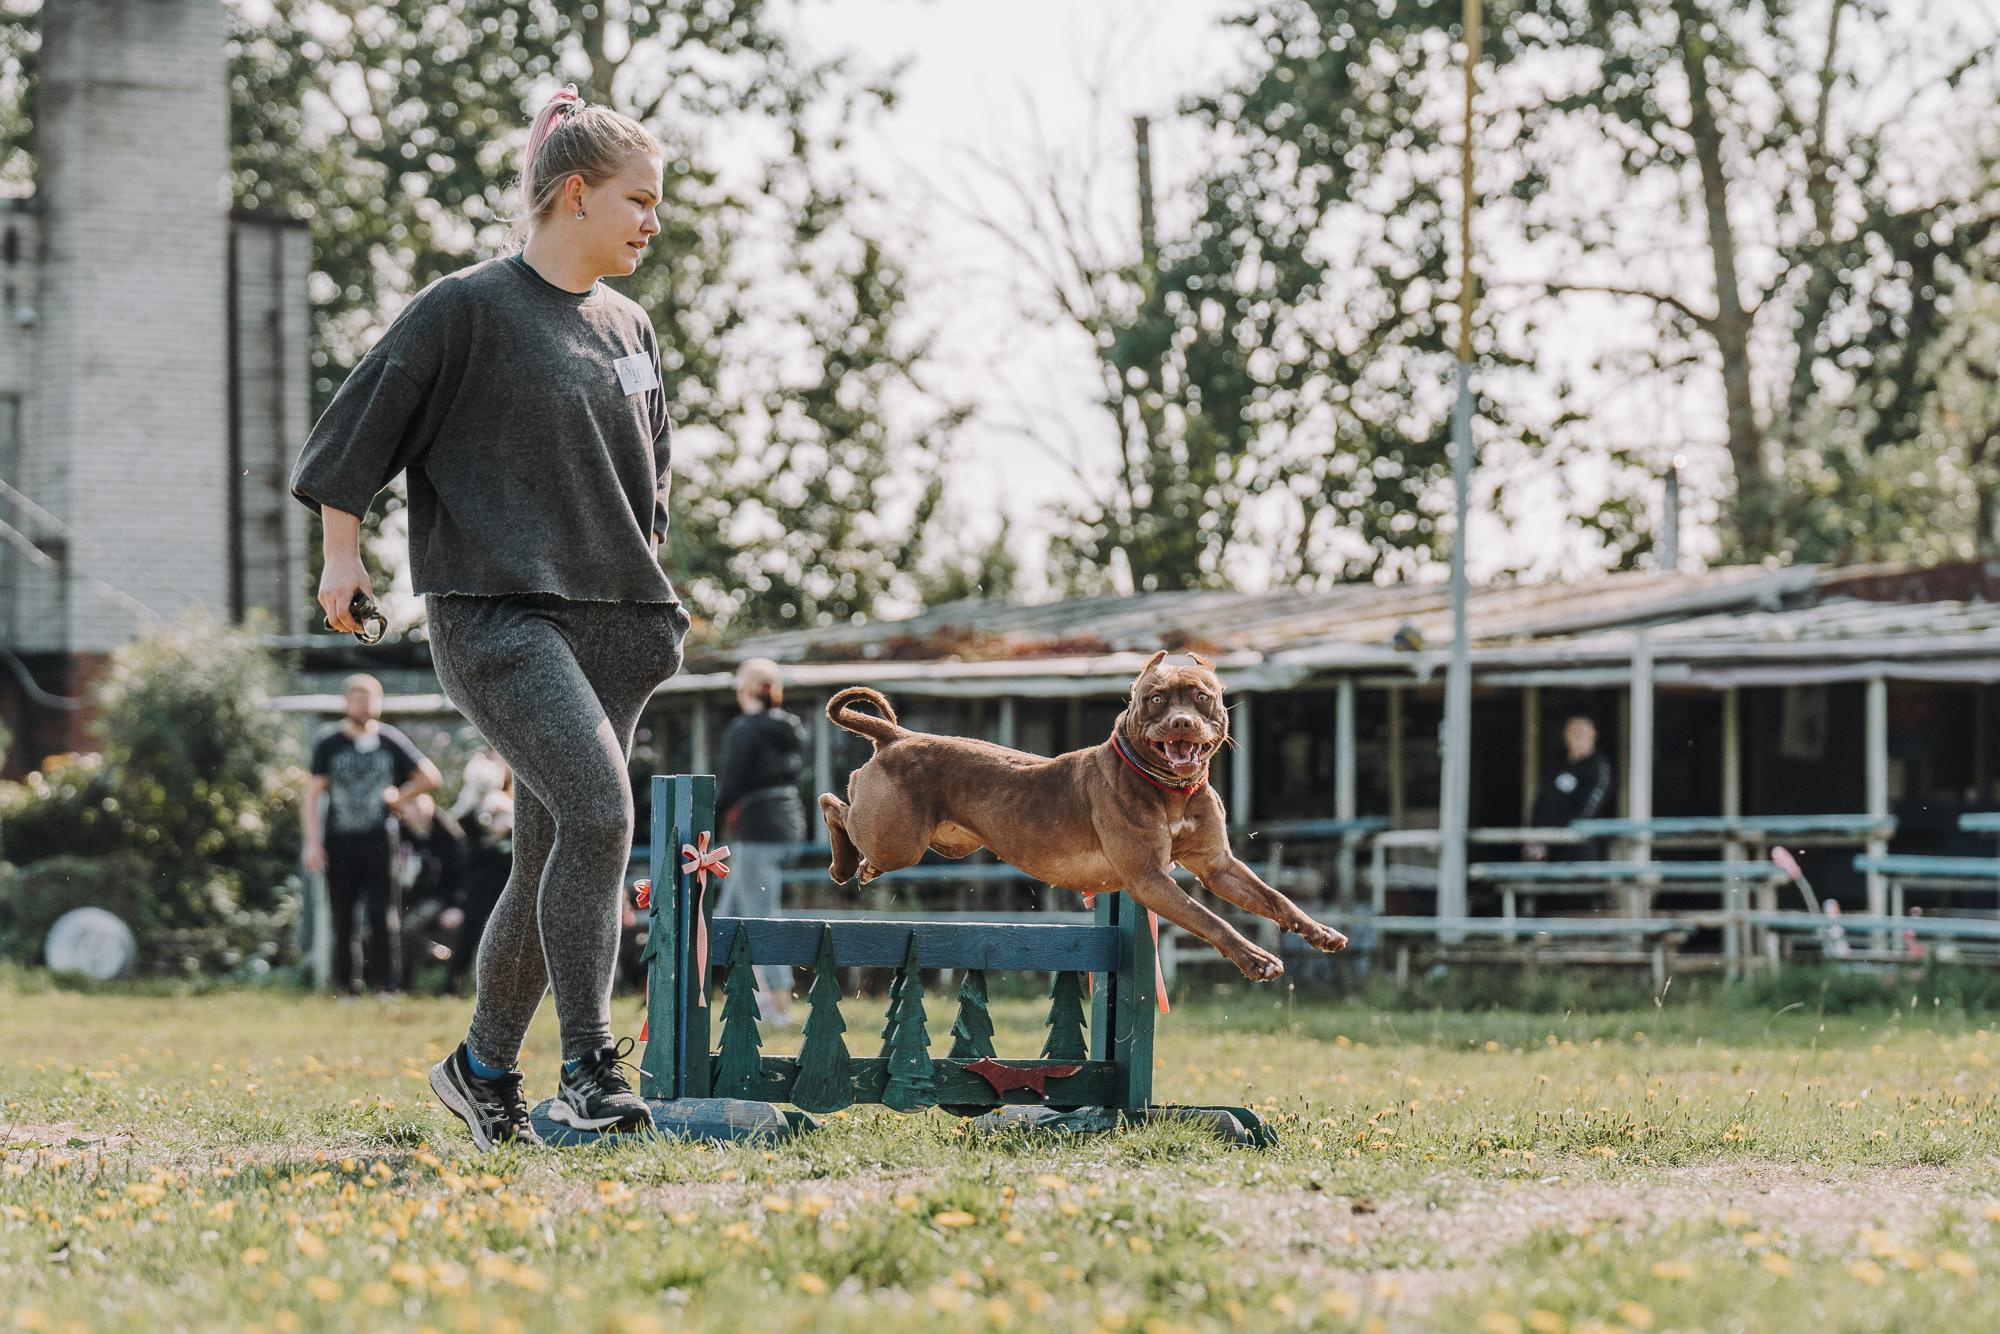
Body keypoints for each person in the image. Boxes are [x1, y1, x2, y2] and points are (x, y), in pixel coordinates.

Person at [291, 84, 690, 1149]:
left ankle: (480, 1068)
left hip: (616, 617)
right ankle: (593, 1065)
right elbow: (359, 424)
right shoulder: (464, 306)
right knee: (603, 815)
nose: (653, 221)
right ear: (573, 194)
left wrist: (652, 579)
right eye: (637, 199)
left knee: (554, 845)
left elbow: (651, 472)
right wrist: (342, 556)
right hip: (496, 614)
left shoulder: (629, 323)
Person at [303, 675, 443, 994]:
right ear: (346, 702)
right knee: (344, 918)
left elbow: (430, 777)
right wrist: (313, 843)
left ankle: (387, 989)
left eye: (371, 698)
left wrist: (400, 797)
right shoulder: (330, 744)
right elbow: (312, 795)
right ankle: (345, 989)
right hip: (340, 841)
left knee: (384, 916)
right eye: (358, 698)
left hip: (381, 842)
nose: (365, 705)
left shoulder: (390, 740)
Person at [713, 658, 808, 1022]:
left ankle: (779, 1006)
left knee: (761, 919)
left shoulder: (743, 730)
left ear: (743, 690)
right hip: (787, 826)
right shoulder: (791, 728)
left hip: (757, 834)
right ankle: (733, 995)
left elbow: (732, 785)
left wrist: (706, 818)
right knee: (727, 915)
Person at [442, 752, 516, 998]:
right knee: (471, 929)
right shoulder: (472, 801)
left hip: (510, 874)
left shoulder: (514, 799)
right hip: (482, 875)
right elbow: (464, 829)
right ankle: (452, 982)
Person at [1527, 711, 1615, 861]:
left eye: (1581, 730)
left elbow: (1588, 810)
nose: (1576, 734)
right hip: (1545, 851)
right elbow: (1543, 802)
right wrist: (1535, 837)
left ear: (1593, 733)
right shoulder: (1557, 763)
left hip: (1579, 851)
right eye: (1572, 729)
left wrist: (1558, 837)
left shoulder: (1598, 766)